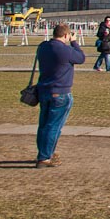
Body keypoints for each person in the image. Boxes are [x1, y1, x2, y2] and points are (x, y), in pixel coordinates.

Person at [35, 23, 85, 167]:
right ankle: (44, 157)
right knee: (54, 126)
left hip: (44, 90)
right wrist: (74, 42)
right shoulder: (65, 50)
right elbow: (81, 57)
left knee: (44, 125)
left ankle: (44, 152)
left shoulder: (43, 47)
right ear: (65, 35)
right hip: (60, 92)